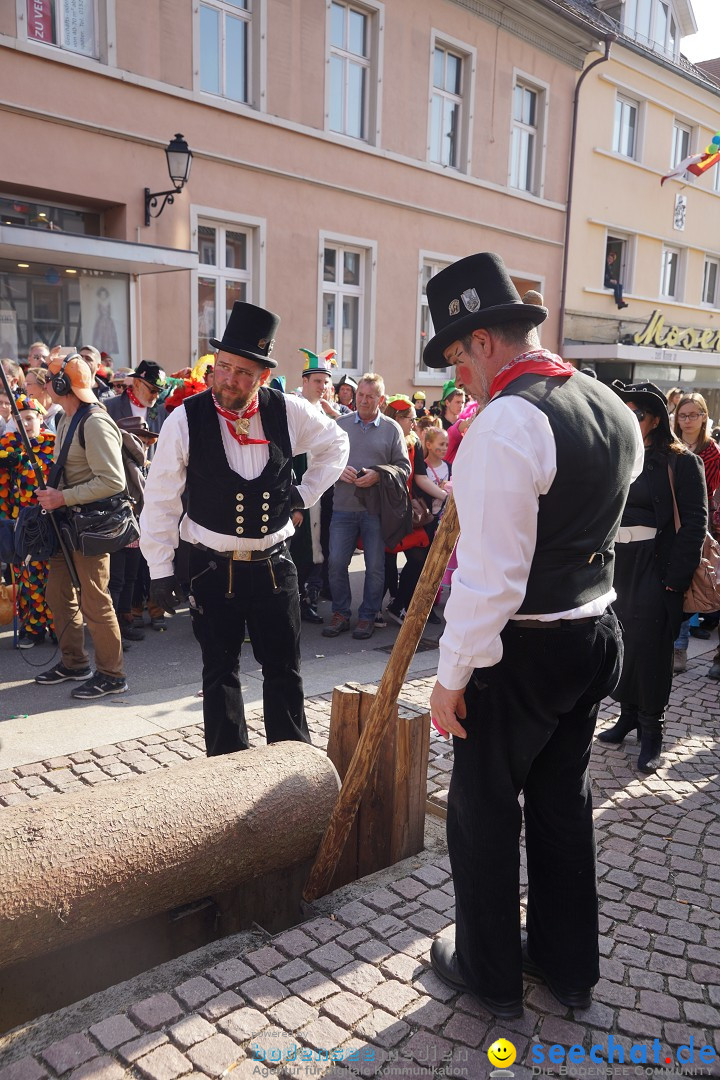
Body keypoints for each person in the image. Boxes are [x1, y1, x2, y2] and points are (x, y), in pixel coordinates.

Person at [423, 252, 642, 1019]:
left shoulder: (508, 421)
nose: (459, 380)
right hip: (593, 632)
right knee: (559, 802)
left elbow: (491, 578)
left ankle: (489, 973)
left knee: (482, 808)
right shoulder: (608, 403)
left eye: (456, 358)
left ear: (483, 340)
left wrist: (451, 676)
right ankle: (567, 964)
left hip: (523, 648)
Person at [139, 302, 348, 757]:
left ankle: (292, 776)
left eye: (242, 371)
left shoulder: (289, 411)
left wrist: (303, 493)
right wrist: (159, 566)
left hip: (275, 568)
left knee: (285, 672)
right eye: (223, 367)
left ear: (262, 377)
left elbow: (336, 443)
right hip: (212, 569)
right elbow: (160, 497)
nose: (228, 379)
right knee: (219, 674)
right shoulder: (185, 419)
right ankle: (227, 777)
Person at [597, 382, 705, 773]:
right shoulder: (619, 455)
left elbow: (695, 523)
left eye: (637, 414)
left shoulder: (681, 461)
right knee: (622, 640)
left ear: (656, 419)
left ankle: (652, 728)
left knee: (653, 648)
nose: (629, 421)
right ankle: (627, 715)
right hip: (617, 564)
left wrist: (675, 579)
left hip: (656, 564)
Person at [35, 349, 128, 698]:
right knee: (58, 593)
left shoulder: (95, 422)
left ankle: (112, 674)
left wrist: (64, 497)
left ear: (63, 383)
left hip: (90, 526)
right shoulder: (64, 418)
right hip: (66, 524)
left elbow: (113, 481)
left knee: (94, 600)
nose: (46, 381)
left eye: (52, 375)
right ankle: (74, 663)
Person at [322, 373, 410, 641]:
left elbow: (404, 468)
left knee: (375, 566)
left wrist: (379, 475)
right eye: (360, 394)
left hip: (375, 510)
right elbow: (323, 461)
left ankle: (368, 616)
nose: (362, 400)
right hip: (343, 507)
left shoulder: (392, 428)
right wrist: (338, 472)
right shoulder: (341, 424)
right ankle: (341, 613)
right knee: (336, 562)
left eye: (369, 396)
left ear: (381, 400)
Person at [290, 348, 342, 624]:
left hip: (323, 496)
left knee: (317, 551)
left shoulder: (323, 412)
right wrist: (295, 503)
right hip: (300, 497)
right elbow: (288, 459)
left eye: (326, 382)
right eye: (318, 381)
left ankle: (308, 599)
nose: (322, 387)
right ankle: (295, 602)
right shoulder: (294, 409)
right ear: (305, 380)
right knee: (298, 552)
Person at [0, 395, 56, 648]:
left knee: (55, 577)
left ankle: (58, 625)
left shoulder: (53, 444)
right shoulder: (8, 446)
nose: (26, 424)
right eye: (19, 420)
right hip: (21, 525)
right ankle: (33, 628)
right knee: (27, 577)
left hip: (50, 521)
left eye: (30, 419)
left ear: (40, 418)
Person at [670, 392, 720, 672]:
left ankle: (683, 648)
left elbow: (709, 495)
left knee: (697, 584)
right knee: (675, 586)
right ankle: (676, 648)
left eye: (693, 414)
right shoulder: (670, 445)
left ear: (704, 417)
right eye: (682, 415)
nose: (687, 420)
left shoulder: (711, 451)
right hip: (669, 525)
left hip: (699, 526)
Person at [25, 367, 62, 432]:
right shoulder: (24, 410)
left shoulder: (60, 414)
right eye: (25, 384)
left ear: (43, 386)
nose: (25, 387)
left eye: (28, 384)